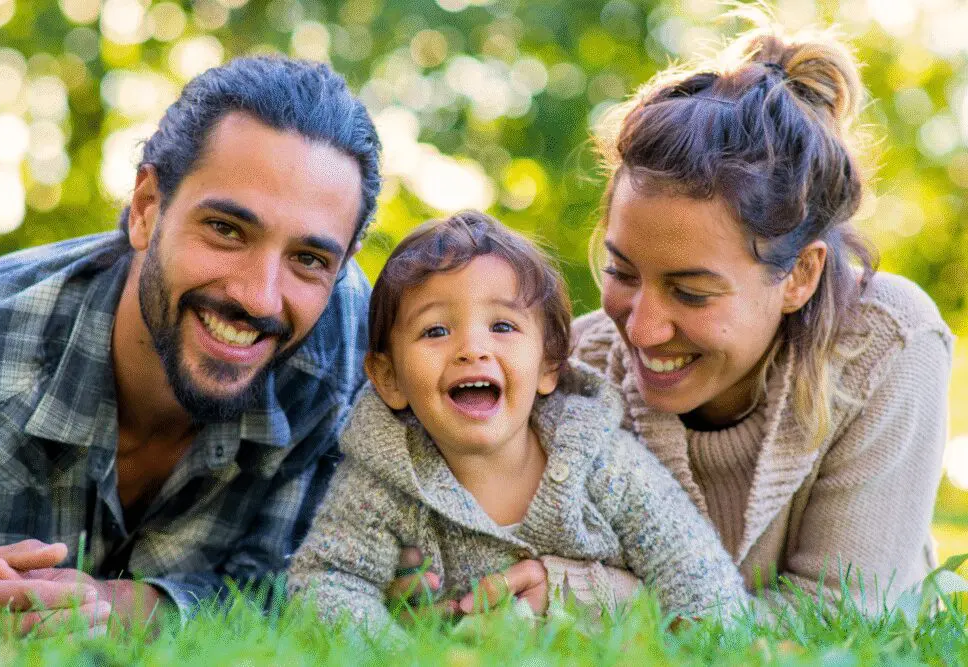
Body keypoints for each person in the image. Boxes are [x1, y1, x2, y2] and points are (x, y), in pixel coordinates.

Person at [0, 56, 381, 633]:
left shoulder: (348, 351)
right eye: (227, 230)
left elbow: (302, 589)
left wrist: (130, 608)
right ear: (147, 209)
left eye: (308, 259)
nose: (261, 299)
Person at [571, 24, 954, 610]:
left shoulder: (888, 346)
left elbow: (832, 621)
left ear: (800, 275)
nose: (641, 330)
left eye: (692, 292)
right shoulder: (574, 366)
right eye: (622, 273)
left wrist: (611, 600)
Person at [287, 211, 748, 642]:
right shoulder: (384, 479)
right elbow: (327, 579)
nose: (472, 349)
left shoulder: (600, 460)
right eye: (436, 331)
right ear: (389, 379)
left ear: (549, 365)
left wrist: (702, 636)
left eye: (503, 326)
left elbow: (695, 572)